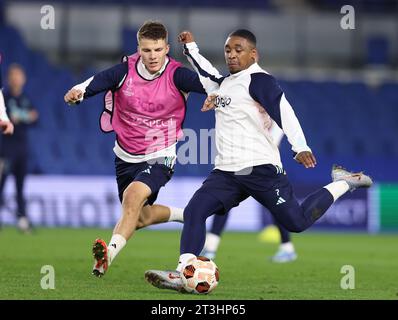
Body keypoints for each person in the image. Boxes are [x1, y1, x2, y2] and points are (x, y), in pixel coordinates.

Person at [144, 29, 373, 292]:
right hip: (226, 173)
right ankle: (183, 273)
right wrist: (191, 48)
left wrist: (299, 146)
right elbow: (205, 71)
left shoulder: (260, 80)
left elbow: (283, 109)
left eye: (238, 49)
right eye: (228, 50)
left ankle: (344, 182)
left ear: (254, 54)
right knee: (195, 211)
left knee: (296, 222)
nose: (231, 54)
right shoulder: (222, 84)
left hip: (261, 170)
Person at [64, 21, 209, 277]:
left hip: (160, 154)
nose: (152, 56)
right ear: (138, 49)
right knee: (138, 217)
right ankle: (185, 215)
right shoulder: (124, 71)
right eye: (146, 50)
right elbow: (98, 81)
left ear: (166, 48)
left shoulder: (178, 75)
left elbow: (212, 83)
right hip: (125, 155)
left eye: (157, 50)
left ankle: (107, 256)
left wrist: (217, 93)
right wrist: (79, 92)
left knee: (132, 197)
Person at [201, 122, 298, 263]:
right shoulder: (250, 112)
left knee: (277, 207)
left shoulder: (277, 118)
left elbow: (272, 145)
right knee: (223, 203)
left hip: (262, 169)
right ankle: (211, 247)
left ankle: (287, 248)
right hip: (241, 164)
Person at [0, 64, 38, 233]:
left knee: (20, 186)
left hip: (22, 148)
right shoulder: (4, 97)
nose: (17, 79)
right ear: (9, 78)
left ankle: (22, 218)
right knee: (1, 183)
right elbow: (16, 118)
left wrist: (21, 117)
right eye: (14, 75)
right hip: (5, 148)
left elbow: (36, 118)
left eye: (19, 75)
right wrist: (25, 116)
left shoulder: (26, 98)